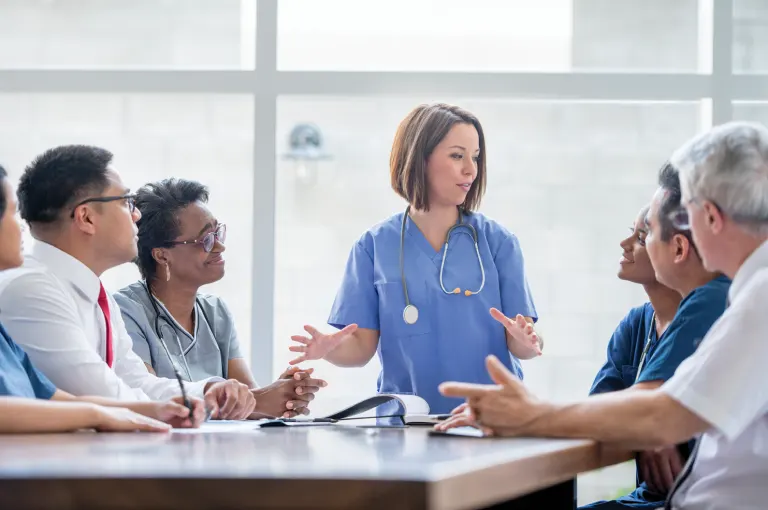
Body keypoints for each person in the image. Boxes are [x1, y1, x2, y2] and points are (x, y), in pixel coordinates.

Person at [437, 121, 768, 509]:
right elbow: (663, 410)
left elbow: (663, 415)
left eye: (688, 213)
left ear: (710, 217)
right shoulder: (744, 294)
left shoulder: (757, 298)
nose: (685, 231)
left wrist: (526, 413)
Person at [289, 103, 542, 415]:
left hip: (490, 419)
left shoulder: (499, 243)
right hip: (408, 422)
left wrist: (527, 340)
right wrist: (328, 349)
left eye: (475, 157)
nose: (471, 170)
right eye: (457, 155)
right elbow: (359, 349)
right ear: (420, 158)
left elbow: (522, 343)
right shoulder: (373, 247)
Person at [0, 145, 255, 420]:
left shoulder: (97, 295)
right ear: (86, 218)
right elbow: (101, 393)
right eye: (125, 202)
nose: (137, 215)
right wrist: (182, 406)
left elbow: (135, 380)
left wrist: (205, 390)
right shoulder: (31, 289)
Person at [582, 163, 730, 509]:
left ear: (679, 248)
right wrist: (645, 421)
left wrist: (647, 416)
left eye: (644, 233)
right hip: (654, 498)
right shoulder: (638, 324)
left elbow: (641, 410)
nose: (627, 244)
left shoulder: (714, 299)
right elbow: (601, 409)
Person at [114, 178, 327, 419]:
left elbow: (250, 398)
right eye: (206, 240)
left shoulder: (215, 311)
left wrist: (285, 394)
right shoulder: (125, 311)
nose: (219, 247)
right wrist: (262, 400)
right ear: (162, 256)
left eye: (218, 233)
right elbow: (145, 396)